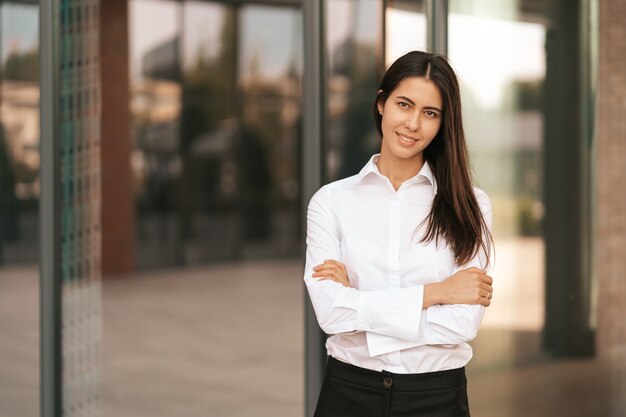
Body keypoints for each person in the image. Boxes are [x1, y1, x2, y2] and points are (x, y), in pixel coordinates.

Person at [304, 50, 494, 417]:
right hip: (348, 394)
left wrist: (359, 303)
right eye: (403, 104)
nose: (412, 123)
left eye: (430, 113)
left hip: (437, 396)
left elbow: (461, 324)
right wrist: (437, 293)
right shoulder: (331, 202)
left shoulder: (471, 204)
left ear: (443, 123)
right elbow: (330, 315)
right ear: (381, 104)